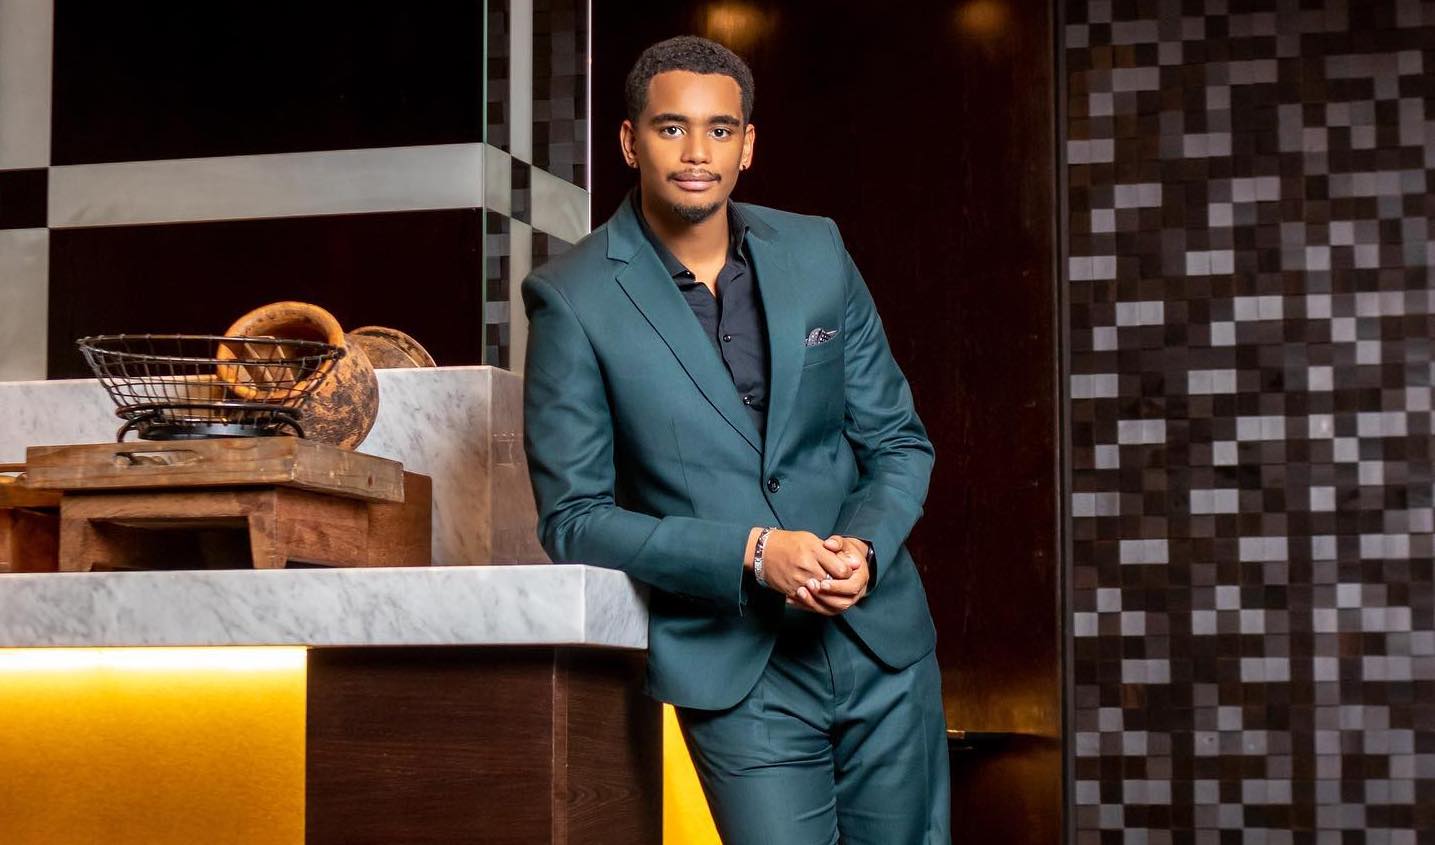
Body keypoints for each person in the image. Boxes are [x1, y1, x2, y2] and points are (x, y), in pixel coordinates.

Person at [521, 35, 950, 844]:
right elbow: (572, 518)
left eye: (719, 129)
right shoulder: (570, 297)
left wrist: (861, 547)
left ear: (747, 144)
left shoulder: (817, 251)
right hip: (737, 671)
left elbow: (897, 440)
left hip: (881, 646)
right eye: (671, 127)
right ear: (629, 141)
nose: (696, 152)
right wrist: (751, 553)